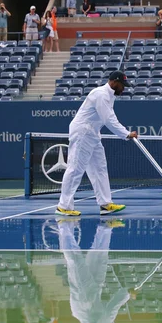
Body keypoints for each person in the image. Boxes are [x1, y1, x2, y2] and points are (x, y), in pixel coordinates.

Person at [56, 71, 137, 216]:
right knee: (75, 168)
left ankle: (105, 204)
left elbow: (106, 119)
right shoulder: (100, 94)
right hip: (83, 132)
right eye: (121, 85)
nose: (123, 89)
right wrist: (126, 134)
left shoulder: (109, 96)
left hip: (93, 133)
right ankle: (64, 206)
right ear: (113, 82)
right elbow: (109, 119)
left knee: (100, 168)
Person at [58, 219, 135, 323]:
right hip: (93, 297)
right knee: (99, 259)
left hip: (84, 300)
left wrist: (127, 294)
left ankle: (64, 227)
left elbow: (111, 309)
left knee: (75, 262)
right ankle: (105, 228)